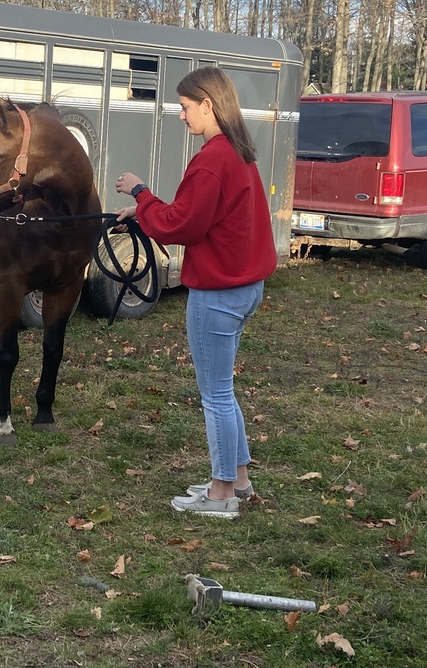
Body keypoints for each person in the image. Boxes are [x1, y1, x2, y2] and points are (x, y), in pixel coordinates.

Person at [115, 67, 277, 519]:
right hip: (245, 287)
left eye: (185, 108)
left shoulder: (211, 159)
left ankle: (221, 493)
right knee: (224, 390)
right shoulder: (236, 153)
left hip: (219, 294)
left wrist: (140, 191)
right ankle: (238, 478)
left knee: (216, 395)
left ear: (208, 104)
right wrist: (143, 210)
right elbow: (194, 214)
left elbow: (180, 225)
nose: (181, 116)